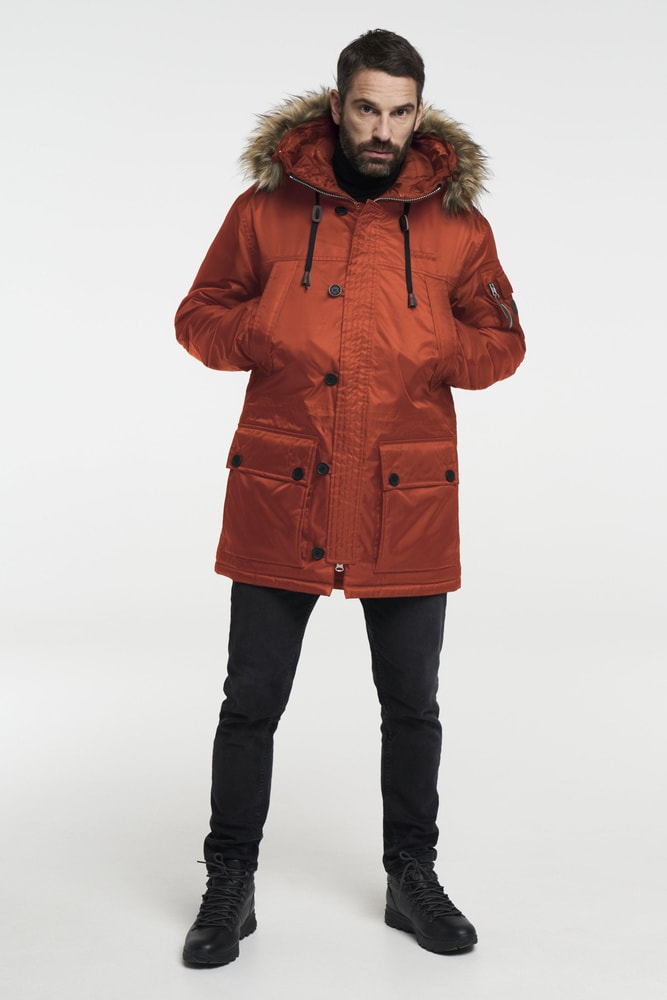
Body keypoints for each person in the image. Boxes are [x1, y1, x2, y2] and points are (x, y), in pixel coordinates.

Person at [175, 28, 525, 967]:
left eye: (399, 112)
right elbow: (197, 316)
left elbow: (502, 344)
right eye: (366, 108)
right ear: (336, 107)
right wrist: (264, 327)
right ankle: (229, 880)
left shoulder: (458, 226)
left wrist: (437, 347)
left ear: (419, 112)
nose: (381, 129)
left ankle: (412, 875)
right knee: (250, 700)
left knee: (412, 704)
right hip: (282, 486)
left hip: (403, 495)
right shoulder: (264, 211)